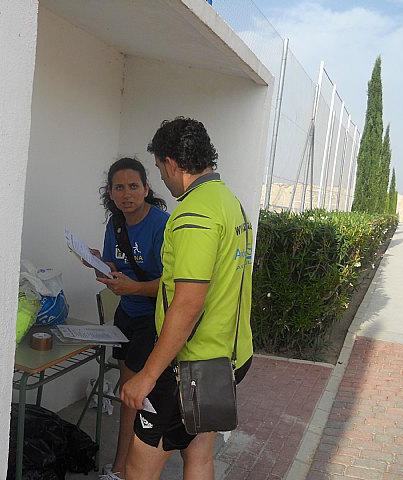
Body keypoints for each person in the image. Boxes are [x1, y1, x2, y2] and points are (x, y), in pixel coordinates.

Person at [120, 117, 254, 479]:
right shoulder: (230, 203)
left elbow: (188, 303)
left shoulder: (194, 214)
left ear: (172, 163)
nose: (161, 178)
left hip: (189, 368)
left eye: (160, 168)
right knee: (199, 454)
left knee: (138, 467)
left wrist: (148, 375)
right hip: (227, 359)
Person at [89, 157, 169, 480]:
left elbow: (173, 286)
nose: (127, 194)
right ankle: (124, 466)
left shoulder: (163, 225)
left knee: (131, 396)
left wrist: (133, 286)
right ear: (110, 192)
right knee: (129, 393)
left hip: (153, 320)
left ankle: (122, 469)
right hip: (126, 315)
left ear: (147, 189)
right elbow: (114, 270)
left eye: (133, 186)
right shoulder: (115, 225)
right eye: (119, 187)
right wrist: (94, 262)